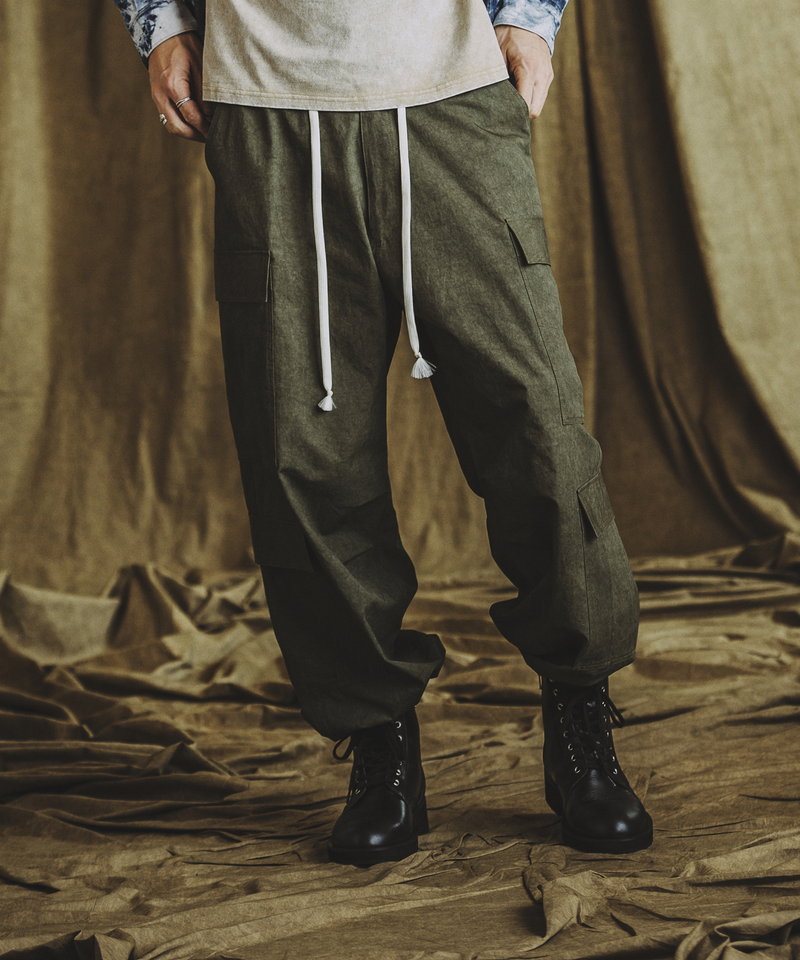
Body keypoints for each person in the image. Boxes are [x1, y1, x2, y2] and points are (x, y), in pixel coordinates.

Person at [113, 0, 653, 866]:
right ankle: (379, 745)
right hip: (269, 108)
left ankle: (580, 713)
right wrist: (160, 23)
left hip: (451, 93)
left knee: (538, 426)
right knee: (302, 452)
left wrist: (530, 16)